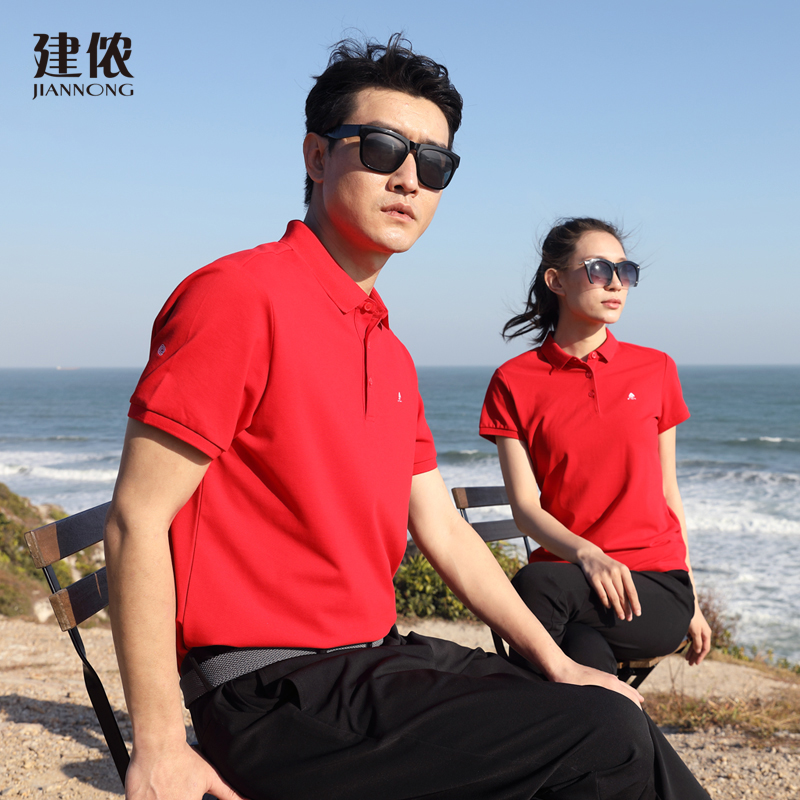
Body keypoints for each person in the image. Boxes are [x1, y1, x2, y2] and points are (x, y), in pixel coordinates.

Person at [104, 39, 709, 800]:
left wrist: (558, 663)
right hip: (273, 688)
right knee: (604, 738)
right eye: (383, 147)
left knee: (606, 708)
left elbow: (442, 528)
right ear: (316, 157)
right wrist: (160, 744)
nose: (409, 177)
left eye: (434, 162)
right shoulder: (241, 297)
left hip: (373, 659)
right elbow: (136, 518)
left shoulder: (386, 347)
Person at [480, 217, 712, 678]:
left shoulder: (656, 369)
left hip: (652, 586)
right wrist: (588, 554)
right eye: (599, 269)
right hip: (570, 577)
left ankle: (502, 712)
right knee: (582, 651)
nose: (616, 283)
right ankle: (617, 720)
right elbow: (525, 509)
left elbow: (669, 492)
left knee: (535, 588)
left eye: (625, 271)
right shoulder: (513, 381)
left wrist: (695, 602)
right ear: (556, 281)